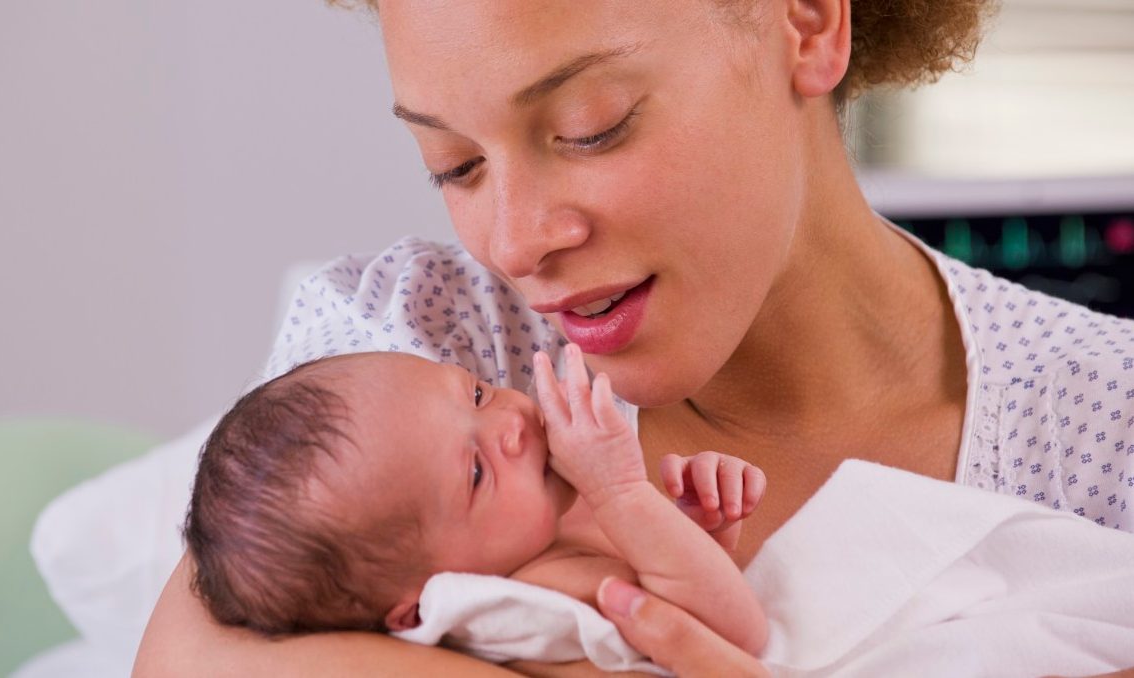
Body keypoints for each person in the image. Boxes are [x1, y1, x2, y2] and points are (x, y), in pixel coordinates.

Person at [135, 0, 1134, 675]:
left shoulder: (1103, 429)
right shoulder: (408, 343)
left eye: (590, 125)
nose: (517, 242)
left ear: (804, 20)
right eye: (455, 166)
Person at [184, 345, 768, 658]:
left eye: (477, 392)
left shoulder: (545, 532)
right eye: (475, 470)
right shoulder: (529, 600)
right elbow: (736, 635)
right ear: (419, 607)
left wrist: (697, 527)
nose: (512, 423)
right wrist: (623, 495)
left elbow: (700, 584)